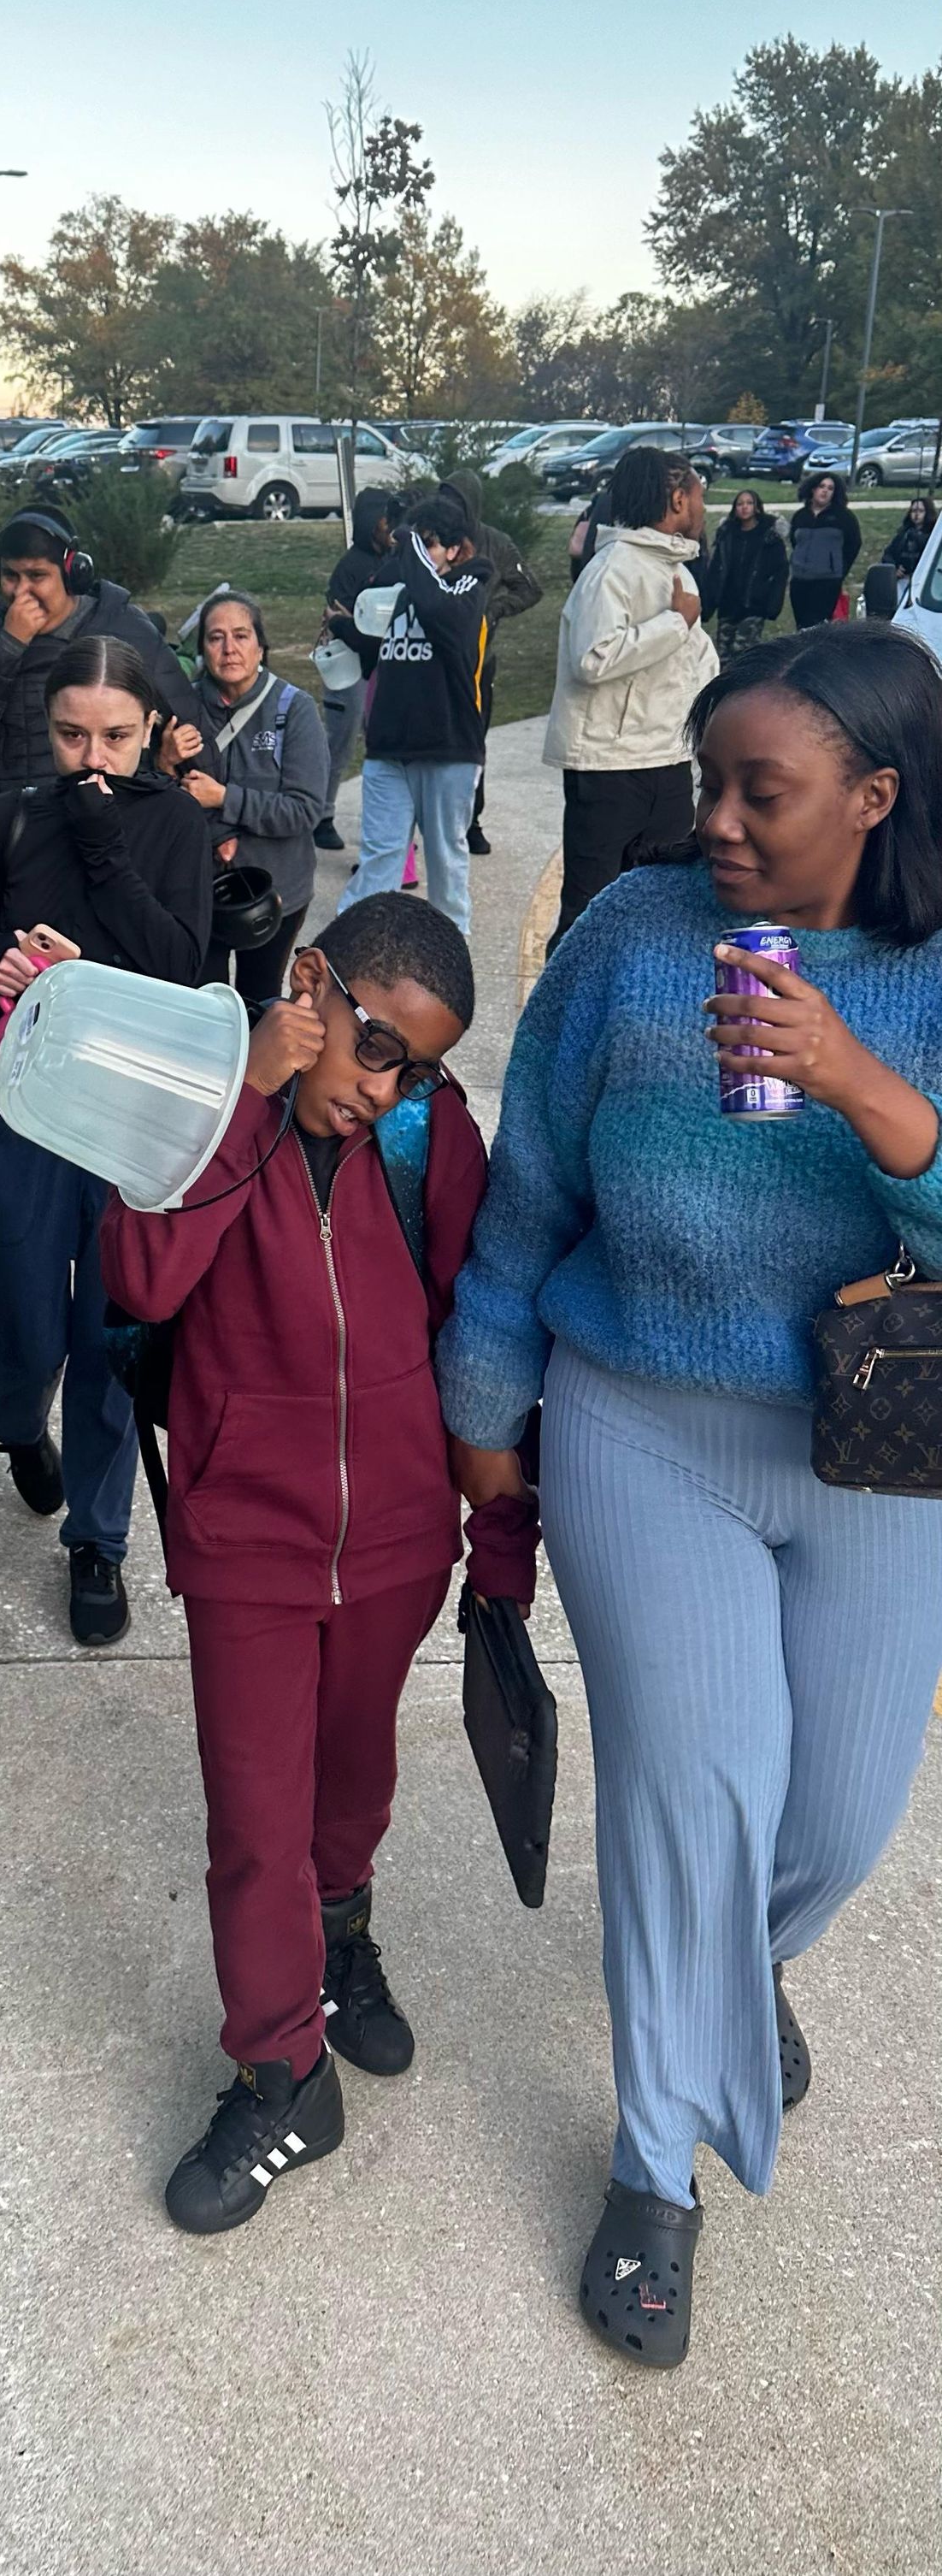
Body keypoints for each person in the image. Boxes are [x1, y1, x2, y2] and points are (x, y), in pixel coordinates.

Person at [439, 626, 942, 2367]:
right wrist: (486, 1413)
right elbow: (530, 1194)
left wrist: (866, 1087)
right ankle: (658, 2164)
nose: (716, 816)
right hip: (641, 1421)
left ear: (876, 797)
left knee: (846, 1811)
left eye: (763, 791)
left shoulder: (932, 971)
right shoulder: (629, 943)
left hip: (880, 1440)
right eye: (709, 779)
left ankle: (737, 1965)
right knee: (693, 1786)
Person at [100, 892, 537, 2233]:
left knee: (351, 1778)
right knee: (254, 1821)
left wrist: (498, 1537)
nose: (393, 1087)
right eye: (378, 1045)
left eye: (426, 1063)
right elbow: (143, 1278)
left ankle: (345, 1940)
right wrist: (249, 1092)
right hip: (248, 1538)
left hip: (399, 1535)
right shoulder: (204, 1107)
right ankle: (283, 2071)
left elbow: (480, 1332)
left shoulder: (427, 1137)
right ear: (311, 986)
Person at [0, 635, 213, 1647]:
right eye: (70, 734)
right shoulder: (9, 818)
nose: (92, 756)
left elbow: (184, 963)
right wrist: (1, 957)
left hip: (131, 1114)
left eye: (114, 733)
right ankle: (19, 1421)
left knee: (112, 1329)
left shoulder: (173, 827)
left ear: (150, 726)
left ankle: (99, 1539)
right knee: (19, 1315)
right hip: (23, 1107)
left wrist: (107, 850)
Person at [543, 446, 717, 953]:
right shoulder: (612, 569)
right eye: (700, 495)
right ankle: (559, 1019)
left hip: (666, 757)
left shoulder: (675, 569)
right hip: (610, 766)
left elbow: (693, 664)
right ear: (679, 499)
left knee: (661, 899)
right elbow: (592, 659)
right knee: (589, 908)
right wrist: (673, 622)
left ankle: (636, 1009)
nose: (705, 508)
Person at [0, 503, 215, 802]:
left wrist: (218, 828)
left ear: (73, 573)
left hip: (115, 817)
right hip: (21, 823)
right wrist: (8, 645)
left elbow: (192, 726)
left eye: (37, 576)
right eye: (11, 576)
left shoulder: (123, 625)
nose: (21, 592)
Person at [336, 494, 488, 936]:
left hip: (447, 747)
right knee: (380, 856)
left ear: (455, 551)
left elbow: (444, 616)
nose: (416, 554)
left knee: (444, 862)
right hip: (389, 747)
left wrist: (412, 555)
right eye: (413, 545)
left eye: (429, 545)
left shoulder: (469, 584)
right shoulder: (400, 588)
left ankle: (448, 953)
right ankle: (351, 947)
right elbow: (378, 646)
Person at [178, 590, 330, 1007]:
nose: (229, 649)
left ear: (260, 645)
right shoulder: (182, 709)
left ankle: (256, 1075)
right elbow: (162, 803)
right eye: (216, 637)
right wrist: (161, 760)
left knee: (258, 1004)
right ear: (202, 649)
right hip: (199, 892)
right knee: (203, 1003)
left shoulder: (293, 710)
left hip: (276, 892)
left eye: (241, 635)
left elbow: (304, 810)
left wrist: (223, 798)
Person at [435, 464, 545, 855]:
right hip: (431, 662)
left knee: (472, 746)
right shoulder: (431, 540)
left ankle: (471, 821)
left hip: (478, 662)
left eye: (457, 502)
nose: (449, 508)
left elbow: (530, 587)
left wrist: (495, 609)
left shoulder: (495, 544)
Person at [313, 487, 401, 851]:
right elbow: (346, 619)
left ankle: (383, 828)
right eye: (385, 520)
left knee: (383, 754)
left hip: (384, 671)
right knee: (339, 744)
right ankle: (321, 816)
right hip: (350, 673)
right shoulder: (351, 567)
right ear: (370, 522)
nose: (390, 528)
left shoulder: (395, 560)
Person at [703, 486, 788, 663]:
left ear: (756, 507)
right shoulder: (727, 535)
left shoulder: (769, 537)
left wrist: (772, 603)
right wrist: (709, 601)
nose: (745, 507)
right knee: (723, 654)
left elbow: (780, 571)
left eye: (749, 503)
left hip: (754, 604)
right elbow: (716, 570)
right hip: (728, 603)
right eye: (740, 504)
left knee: (743, 653)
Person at [787, 472, 862, 632]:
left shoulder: (844, 517)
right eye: (822, 487)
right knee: (801, 626)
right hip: (800, 579)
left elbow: (853, 545)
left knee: (815, 626)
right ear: (813, 489)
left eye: (830, 488)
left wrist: (839, 570)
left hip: (827, 581)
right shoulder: (800, 516)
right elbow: (795, 541)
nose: (825, 491)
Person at [887, 494, 937, 583]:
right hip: (903, 580)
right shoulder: (903, 534)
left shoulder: (934, 535)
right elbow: (889, 554)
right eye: (914, 511)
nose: (917, 514)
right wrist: (895, 567)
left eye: (921, 511)